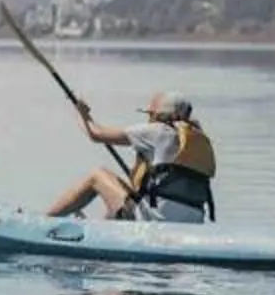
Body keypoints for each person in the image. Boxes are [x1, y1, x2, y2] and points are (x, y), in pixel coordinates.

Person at [46, 91, 217, 222]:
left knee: (98, 176)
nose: (149, 119)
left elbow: (95, 134)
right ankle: (102, 227)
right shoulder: (200, 138)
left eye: (150, 114)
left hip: (158, 219)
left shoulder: (157, 130)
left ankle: (45, 221)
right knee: (126, 194)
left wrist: (81, 113)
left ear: (159, 115)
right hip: (193, 220)